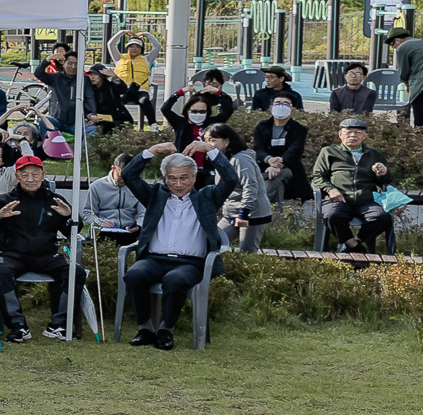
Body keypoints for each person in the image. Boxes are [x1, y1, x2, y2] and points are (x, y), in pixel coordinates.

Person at [120, 145, 238, 349]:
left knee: (175, 280)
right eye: (172, 178)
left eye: (184, 178)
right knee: (134, 275)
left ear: (194, 177)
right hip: (154, 259)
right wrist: (152, 151)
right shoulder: (155, 195)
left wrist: (210, 150)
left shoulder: (207, 197)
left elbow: (230, 179)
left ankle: (166, 330)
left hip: (189, 263)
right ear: (165, 178)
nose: (178, 183)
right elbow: (129, 175)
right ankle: (146, 328)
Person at [0, 155, 82, 343]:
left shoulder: (55, 200)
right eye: (25, 174)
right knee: (0, 270)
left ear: (43, 175)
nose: (30, 179)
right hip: (14, 254)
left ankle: (59, 324)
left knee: (75, 272)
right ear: (17, 176)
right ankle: (17, 326)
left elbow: (74, 230)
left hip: (47, 255)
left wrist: (69, 217)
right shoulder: (4, 200)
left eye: (35, 174)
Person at [310, 118, 393, 252]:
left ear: (364, 135)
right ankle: (354, 247)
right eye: (348, 132)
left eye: (358, 132)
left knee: (382, 217)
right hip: (338, 199)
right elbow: (317, 176)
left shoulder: (374, 154)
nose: (353, 135)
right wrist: (330, 189)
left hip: (366, 200)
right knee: (332, 215)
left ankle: (353, 243)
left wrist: (383, 172)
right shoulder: (329, 152)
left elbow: (385, 181)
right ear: (340, 134)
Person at [203, 123, 271, 252]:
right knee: (211, 242)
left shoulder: (240, 159)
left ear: (227, 141)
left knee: (247, 252)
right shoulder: (221, 160)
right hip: (231, 213)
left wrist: (243, 214)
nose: (208, 145)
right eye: (206, 141)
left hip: (251, 213)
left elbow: (250, 186)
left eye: (212, 140)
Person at [253, 99, 310, 215]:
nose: (281, 106)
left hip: (289, 168)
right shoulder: (262, 127)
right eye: (277, 103)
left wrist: (278, 164)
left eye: (285, 104)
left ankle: (256, 209)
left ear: (293, 109)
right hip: (264, 166)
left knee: (274, 175)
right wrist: (269, 159)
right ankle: (270, 213)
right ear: (271, 108)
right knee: (274, 179)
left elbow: (294, 150)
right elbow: (258, 149)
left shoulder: (299, 129)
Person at [385, 27, 423, 132]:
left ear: (398, 40)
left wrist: (406, 84)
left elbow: (403, 70)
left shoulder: (403, 47)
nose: (393, 47)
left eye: (392, 44)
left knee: (422, 116)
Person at [164, 70, 235, 149]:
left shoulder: (212, 122)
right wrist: (179, 93)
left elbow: (228, 110)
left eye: (202, 111)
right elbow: (165, 109)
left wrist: (219, 93)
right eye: (194, 111)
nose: (198, 114)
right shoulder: (182, 124)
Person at [106, 31, 158, 125]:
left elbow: (157, 46)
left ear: (141, 49)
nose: (134, 49)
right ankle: (120, 123)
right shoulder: (119, 58)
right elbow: (110, 44)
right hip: (123, 90)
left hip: (140, 90)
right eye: (131, 47)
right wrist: (122, 32)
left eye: (137, 47)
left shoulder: (147, 59)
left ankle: (153, 125)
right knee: (117, 103)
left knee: (145, 101)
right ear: (127, 49)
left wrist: (147, 34)